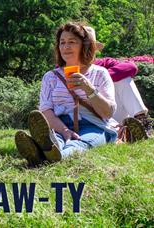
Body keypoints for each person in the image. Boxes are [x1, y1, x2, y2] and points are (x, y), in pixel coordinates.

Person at [15, 22, 125, 166]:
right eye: (62, 42)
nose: (66, 47)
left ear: (84, 45)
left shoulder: (100, 73)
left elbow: (108, 112)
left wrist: (89, 89)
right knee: (56, 140)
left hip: (93, 124)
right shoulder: (50, 76)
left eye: (72, 42)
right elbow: (46, 110)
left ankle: (43, 155)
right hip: (59, 124)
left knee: (83, 142)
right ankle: (48, 147)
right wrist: (64, 130)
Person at [84, 26, 152, 137]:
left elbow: (131, 67)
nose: (87, 51)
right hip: (86, 116)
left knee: (124, 80)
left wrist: (102, 77)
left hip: (110, 111)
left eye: (90, 47)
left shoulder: (104, 63)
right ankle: (126, 132)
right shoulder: (66, 69)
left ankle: (141, 121)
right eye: (84, 47)